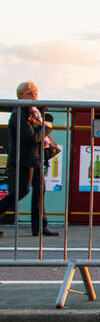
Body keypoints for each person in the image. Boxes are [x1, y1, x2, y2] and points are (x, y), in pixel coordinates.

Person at [0, 81, 58, 237]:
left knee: (40, 190)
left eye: (35, 91)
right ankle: (38, 227)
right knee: (21, 191)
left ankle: (40, 227)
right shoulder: (19, 113)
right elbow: (30, 137)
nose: (33, 93)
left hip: (35, 158)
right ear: (20, 95)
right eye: (29, 91)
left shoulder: (34, 113)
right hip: (23, 158)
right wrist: (45, 129)